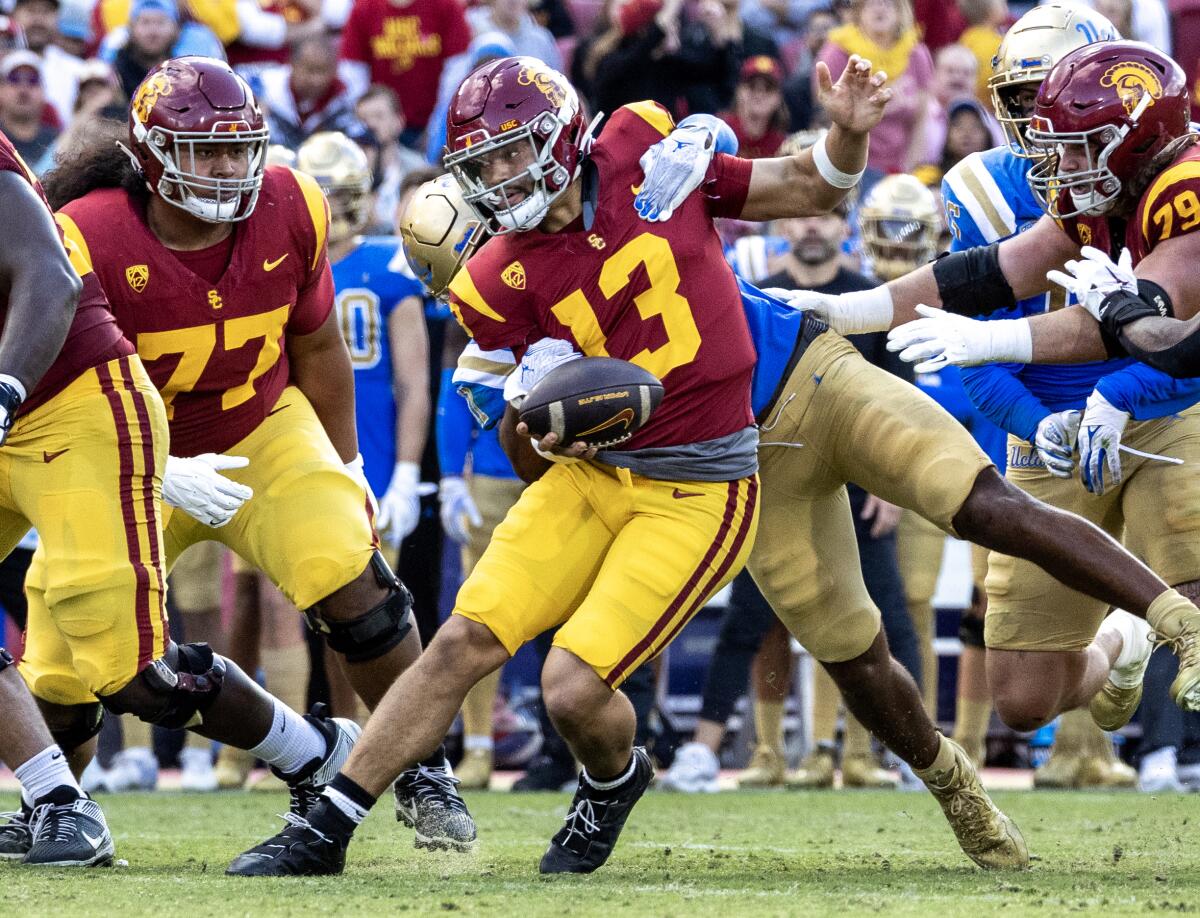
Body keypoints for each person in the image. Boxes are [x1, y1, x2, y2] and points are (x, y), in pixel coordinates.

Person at [225, 52, 911, 877]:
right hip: (594, 476)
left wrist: (843, 132)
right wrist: (544, 425)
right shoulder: (490, 283)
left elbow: (811, 189)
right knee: (460, 642)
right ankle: (325, 830)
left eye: (515, 151)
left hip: (699, 483)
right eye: (483, 163)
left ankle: (611, 780)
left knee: (571, 691)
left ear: (565, 134)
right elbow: (527, 452)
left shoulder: (638, 146)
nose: (502, 175)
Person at [36, 56, 473, 849]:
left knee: (353, 572)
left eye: (241, 148)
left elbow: (318, 349)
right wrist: (154, 468)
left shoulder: (292, 203)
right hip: (130, 452)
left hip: (257, 428)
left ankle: (423, 768)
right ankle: (56, 804)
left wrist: (346, 469)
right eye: (206, 150)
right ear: (150, 156)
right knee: (61, 662)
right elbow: (61, 382)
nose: (230, 168)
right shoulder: (87, 233)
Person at [774, 39, 1200, 743]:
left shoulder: (1184, 187)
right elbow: (997, 271)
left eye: (1078, 145)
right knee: (1024, 698)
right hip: (1074, 416)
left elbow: (1157, 330)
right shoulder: (1091, 182)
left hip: (1170, 400)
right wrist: (856, 310)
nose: (1058, 164)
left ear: (1137, 136)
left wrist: (997, 341)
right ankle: (1125, 641)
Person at [298, 131, 431, 555]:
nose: (331, 204)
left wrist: (407, 474)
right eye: (320, 193)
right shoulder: (283, 268)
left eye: (340, 193)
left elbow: (413, 384)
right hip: (301, 445)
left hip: (374, 446)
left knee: (375, 606)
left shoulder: (388, 262)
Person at [817, 0, 933, 177]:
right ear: (858, 12)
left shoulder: (917, 54)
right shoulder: (837, 52)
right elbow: (826, 116)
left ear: (901, 11)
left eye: (888, 3)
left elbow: (921, 121)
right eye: (872, 2)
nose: (880, 7)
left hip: (902, 167)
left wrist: (908, 172)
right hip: (850, 167)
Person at [338, 0, 471, 141]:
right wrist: (366, 122)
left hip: (432, 125)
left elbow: (457, 71)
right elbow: (353, 73)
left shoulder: (447, 6)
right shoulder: (363, 8)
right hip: (379, 125)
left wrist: (438, 126)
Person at [258, 36, 364, 152]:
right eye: (310, 70)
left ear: (335, 69)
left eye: (323, 71)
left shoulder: (348, 96)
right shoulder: (265, 89)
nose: (316, 80)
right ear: (292, 64)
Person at [721, 56, 789, 160]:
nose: (759, 95)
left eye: (768, 88)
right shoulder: (719, 133)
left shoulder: (782, 146)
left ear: (778, 98)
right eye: (752, 86)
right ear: (739, 91)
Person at [0, 51, 59, 167]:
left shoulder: (58, 142)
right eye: (14, 79)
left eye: (33, 80)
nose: (23, 89)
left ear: (43, 91)